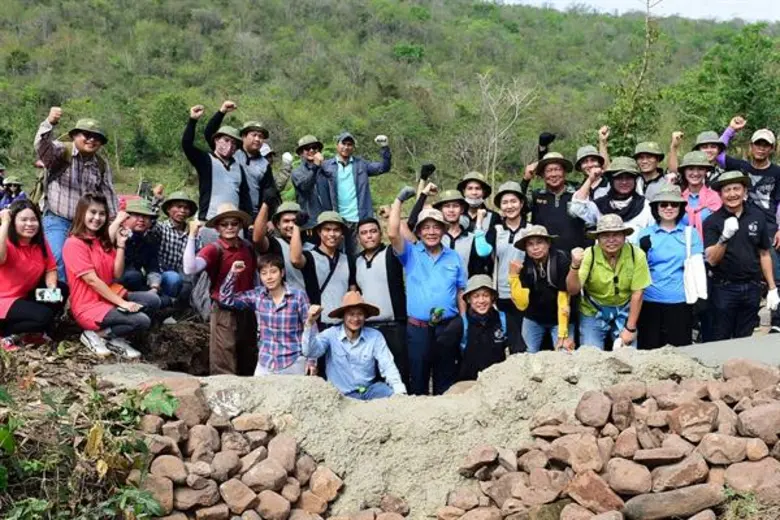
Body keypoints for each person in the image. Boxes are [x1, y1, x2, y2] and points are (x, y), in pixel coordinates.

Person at [388, 187, 466, 395]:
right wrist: (398, 200)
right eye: (426, 228)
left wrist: (464, 324)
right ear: (419, 232)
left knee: (445, 380)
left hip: (447, 328)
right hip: (418, 330)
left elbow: (460, 292)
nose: (431, 232)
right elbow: (392, 232)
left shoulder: (454, 257)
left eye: (436, 227)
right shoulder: (411, 254)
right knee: (418, 380)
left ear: (443, 230)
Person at [63, 193, 160, 359]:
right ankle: (96, 334)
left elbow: (117, 274)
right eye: (92, 212)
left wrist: (121, 246)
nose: (97, 218)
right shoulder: (74, 244)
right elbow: (92, 280)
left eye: (101, 214)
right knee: (141, 320)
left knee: (154, 301)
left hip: (109, 294)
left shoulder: (101, 241)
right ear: (81, 213)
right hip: (89, 304)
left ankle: (112, 337)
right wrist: (123, 303)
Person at [34, 106, 118, 281]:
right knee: (57, 259)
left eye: (97, 138)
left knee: (87, 263)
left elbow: (108, 194)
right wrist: (50, 122)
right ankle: (55, 301)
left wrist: (114, 222)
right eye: (86, 135)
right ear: (74, 136)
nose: (91, 140)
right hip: (57, 218)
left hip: (85, 225)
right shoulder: (61, 151)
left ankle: (75, 301)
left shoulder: (101, 165)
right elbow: (42, 148)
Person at [717, 118, 780, 333]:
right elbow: (717, 155)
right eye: (757, 144)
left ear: (771, 148)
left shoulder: (777, 172)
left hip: (769, 226)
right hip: (740, 222)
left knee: (774, 271)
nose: (761, 148)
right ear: (751, 146)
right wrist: (730, 131)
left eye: (766, 145)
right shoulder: (741, 167)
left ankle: (777, 323)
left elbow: (779, 201)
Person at [704, 171, 779, 340]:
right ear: (720, 194)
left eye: (736, 188)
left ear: (744, 191)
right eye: (727, 190)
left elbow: (764, 253)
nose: (732, 194)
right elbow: (712, 259)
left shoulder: (757, 216)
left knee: (745, 337)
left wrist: (772, 287)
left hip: (752, 287)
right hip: (724, 288)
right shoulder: (712, 221)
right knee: (720, 337)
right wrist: (723, 238)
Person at [183, 203, 257, 375]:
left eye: (234, 223)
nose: (230, 227)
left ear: (240, 225)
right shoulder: (213, 249)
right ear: (217, 227)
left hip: (248, 308)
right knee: (223, 358)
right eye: (224, 224)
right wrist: (192, 237)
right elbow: (190, 268)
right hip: (224, 310)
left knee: (248, 357)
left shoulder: (248, 247)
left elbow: (254, 279)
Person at [219, 254, 316, 376]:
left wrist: (312, 360)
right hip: (266, 361)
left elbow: (311, 327)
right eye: (264, 273)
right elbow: (225, 299)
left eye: (273, 272)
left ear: (282, 273)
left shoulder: (298, 296)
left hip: (293, 361)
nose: (269, 277)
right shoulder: (258, 295)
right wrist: (233, 273)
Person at [566, 214, 651, 350]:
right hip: (593, 311)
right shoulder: (589, 254)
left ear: (624, 236)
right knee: (591, 354)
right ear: (598, 239)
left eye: (616, 235)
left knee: (628, 355)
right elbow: (573, 290)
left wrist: (630, 328)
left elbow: (638, 293)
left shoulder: (637, 255)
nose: (611, 240)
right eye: (605, 236)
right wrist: (575, 266)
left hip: (624, 311)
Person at [304, 292, 406, 400]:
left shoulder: (375, 336)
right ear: (343, 316)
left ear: (365, 316)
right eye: (351, 314)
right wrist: (310, 323)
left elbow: (387, 364)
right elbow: (310, 351)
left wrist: (399, 390)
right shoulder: (330, 334)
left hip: (369, 391)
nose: (356, 319)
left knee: (392, 395)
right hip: (341, 396)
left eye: (360, 314)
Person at [636, 184, 702, 349]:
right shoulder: (644, 234)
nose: (669, 208)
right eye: (663, 204)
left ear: (680, 208)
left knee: (680, 353)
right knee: (649, 350)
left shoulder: (690, 234)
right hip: (649, 301)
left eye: (674, 204)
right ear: (656, 208)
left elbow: (697, 268)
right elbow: (637, 268)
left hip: (680, 301)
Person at [0, 201, 68, 348]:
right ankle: (7, 333)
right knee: (44, 316)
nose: (29, 224)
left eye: (33, 219)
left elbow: (51, 268)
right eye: (23, 220)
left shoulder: (39, 243)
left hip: (25, 296)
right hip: (5, 301)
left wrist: (51, 288)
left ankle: (32, 331)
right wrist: (4, 223)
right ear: (13, 222)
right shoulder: (6, 242)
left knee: (61, 290)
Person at [181, 104, 252, 243]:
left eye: (234, 144)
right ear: (216, 140)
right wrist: (193, 120)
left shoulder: (238, 167)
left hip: (235, 227)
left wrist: (249, 222)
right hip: (209, 224)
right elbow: (187, 144)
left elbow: (245, 197)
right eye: (226, 140)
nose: (229, 146)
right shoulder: (206, 161)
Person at [354, 217, 409, 385]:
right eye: (364, 233)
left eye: (373, 231)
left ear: (381, 233)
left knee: (399, 372)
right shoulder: (356, 261)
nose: (369, 236)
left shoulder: (392, 253)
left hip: (394, 326)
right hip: (368, 328)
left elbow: (398, 237)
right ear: (358, 238)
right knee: (372, 374)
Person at [204, 101, 281, 219]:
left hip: (252, 216)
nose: (257, 139)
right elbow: (210, 133)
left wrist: (268, 218)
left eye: (261, 137)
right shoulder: (231, 151)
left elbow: (269, 192)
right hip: (226, 210)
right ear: (244, 136)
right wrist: (222, 112)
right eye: (254, 135)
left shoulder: (264, 164)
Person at [320, 132, 391, 255]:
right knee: (339, 255)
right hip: (338, 219)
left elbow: (383, 167)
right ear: (337, 145)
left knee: (362, 255)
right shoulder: (326, 165)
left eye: (350, 144)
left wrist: (384, 148)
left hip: (360, 218)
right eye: (343, 143)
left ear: (353, 147)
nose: (346, 147)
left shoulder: (361, 164)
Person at [509, 225, 574, 353]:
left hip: (560, 317)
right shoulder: (524, 266)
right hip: (534, 318)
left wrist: (562, 335)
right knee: (526, 355)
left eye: (539, 242)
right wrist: (513, 277)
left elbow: (564, 300)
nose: (535, 248)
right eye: (530, 244)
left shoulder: (561, 261)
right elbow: (522, 304)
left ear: (548, 243)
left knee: (564, 353)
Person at [290, 211, 356, 330]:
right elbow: (295, 260)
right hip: (317, 324)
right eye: (327, 229)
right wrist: (296, 226)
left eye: (336, 230)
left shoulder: (348, 260)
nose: (332, 234)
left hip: (343, 326)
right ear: (319, 232)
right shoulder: (310, 257)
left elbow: (352, 291)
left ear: (342, 234)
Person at [485, 181, 529, 353]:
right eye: (505, 202)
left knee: (524, 342)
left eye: (513, 201)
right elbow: (484, 257)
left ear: (522, 203)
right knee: (505, 340)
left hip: (525, 293)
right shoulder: (495, 230)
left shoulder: (531, 229)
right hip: (501, 294)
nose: (509, 206)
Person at [570, 156, 654, 240]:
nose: (624, 182)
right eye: (619, 178)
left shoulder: (646, 206)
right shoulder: (600, 205)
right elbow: (577, 207)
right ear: (611, 180)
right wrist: (590, 179)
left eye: (628, 178)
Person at [523, 152, 588, 253]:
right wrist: (526, 180)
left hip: (576, 256)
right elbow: (519, 207)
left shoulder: (578, 194)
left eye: (557, 170)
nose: (553, 174)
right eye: (548, 171)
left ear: (564, 172)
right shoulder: (536, 196)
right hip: (544, 257)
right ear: (543, 175)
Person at [111, 199, 170, 306]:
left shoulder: (149, 240)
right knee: (133, 276)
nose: (141, 220)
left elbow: (153, 267)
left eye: (146, 217)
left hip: (136, 285)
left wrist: (154, 288)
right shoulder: (115, 234)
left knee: (165, 300)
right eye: (136, 215)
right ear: (126, 218)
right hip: (112, 284)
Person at [148, 191, 199, 304]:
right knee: (173, 278)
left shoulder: (192, 231)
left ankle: (176, 306)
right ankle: (164, 305)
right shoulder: (162, 227)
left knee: (189, 284)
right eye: (178, 207)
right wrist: (156, 201)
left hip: (184, 274)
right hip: (162, 273)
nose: (182, 211)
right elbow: (150, 224)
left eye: (186, 208)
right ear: (169, 210)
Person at [430, 189, 493, 276]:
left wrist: (479, 224)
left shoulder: (471, 238)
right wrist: (423, 194)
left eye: (455, 206)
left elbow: (484, 254)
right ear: (441, 210)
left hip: (466, 288)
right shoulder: (433, 237)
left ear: (462, 209)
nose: (451, 210)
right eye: (447, 206)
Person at [458, 275, 507, 381]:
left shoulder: (503, 319)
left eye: (485, 295)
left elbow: (517, 349)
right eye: (476, 296)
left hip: (497, 381)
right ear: (468, 299)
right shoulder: (461, 323)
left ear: (492, 298)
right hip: (468, 383)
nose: (481, 300)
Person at [253, 201, 308, 292]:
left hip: (307, 302)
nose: (291, 225)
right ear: (278, 225)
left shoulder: (311, 246)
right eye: (286, 221)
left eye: (295, 221)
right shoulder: (275, 244)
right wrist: (266, 204)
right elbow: (257, 239)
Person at [678, 151, 721, 240]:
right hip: (681, 247)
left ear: (706, 172)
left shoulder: (715, 198)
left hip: (708, 248)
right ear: (684, 171)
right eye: (691, 169)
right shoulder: (678, 198)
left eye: (700, 169)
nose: (696, 173)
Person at [290, 135, 327, 230]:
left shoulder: (326, 168)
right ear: (301, 153)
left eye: (314, 147)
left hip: (328, 219)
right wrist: (315, 166)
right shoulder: (297, 172)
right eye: (307, 148)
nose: (311, 150)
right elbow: (304, 186)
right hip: (310, 223)